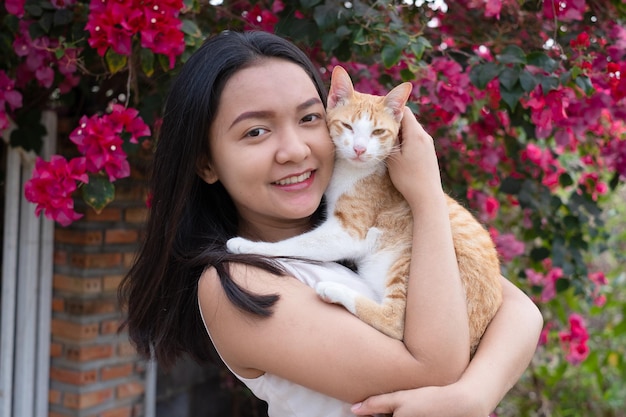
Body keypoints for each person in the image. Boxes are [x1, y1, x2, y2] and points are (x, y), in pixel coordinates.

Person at [119, 30, 543, 417]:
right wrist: (427, 197)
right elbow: (437, 367)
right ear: (206, 163)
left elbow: (520, 309)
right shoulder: (236, 283)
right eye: (256, 132)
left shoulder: (359, 226)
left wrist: (475, 396)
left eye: (309, 119)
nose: (295, 150)